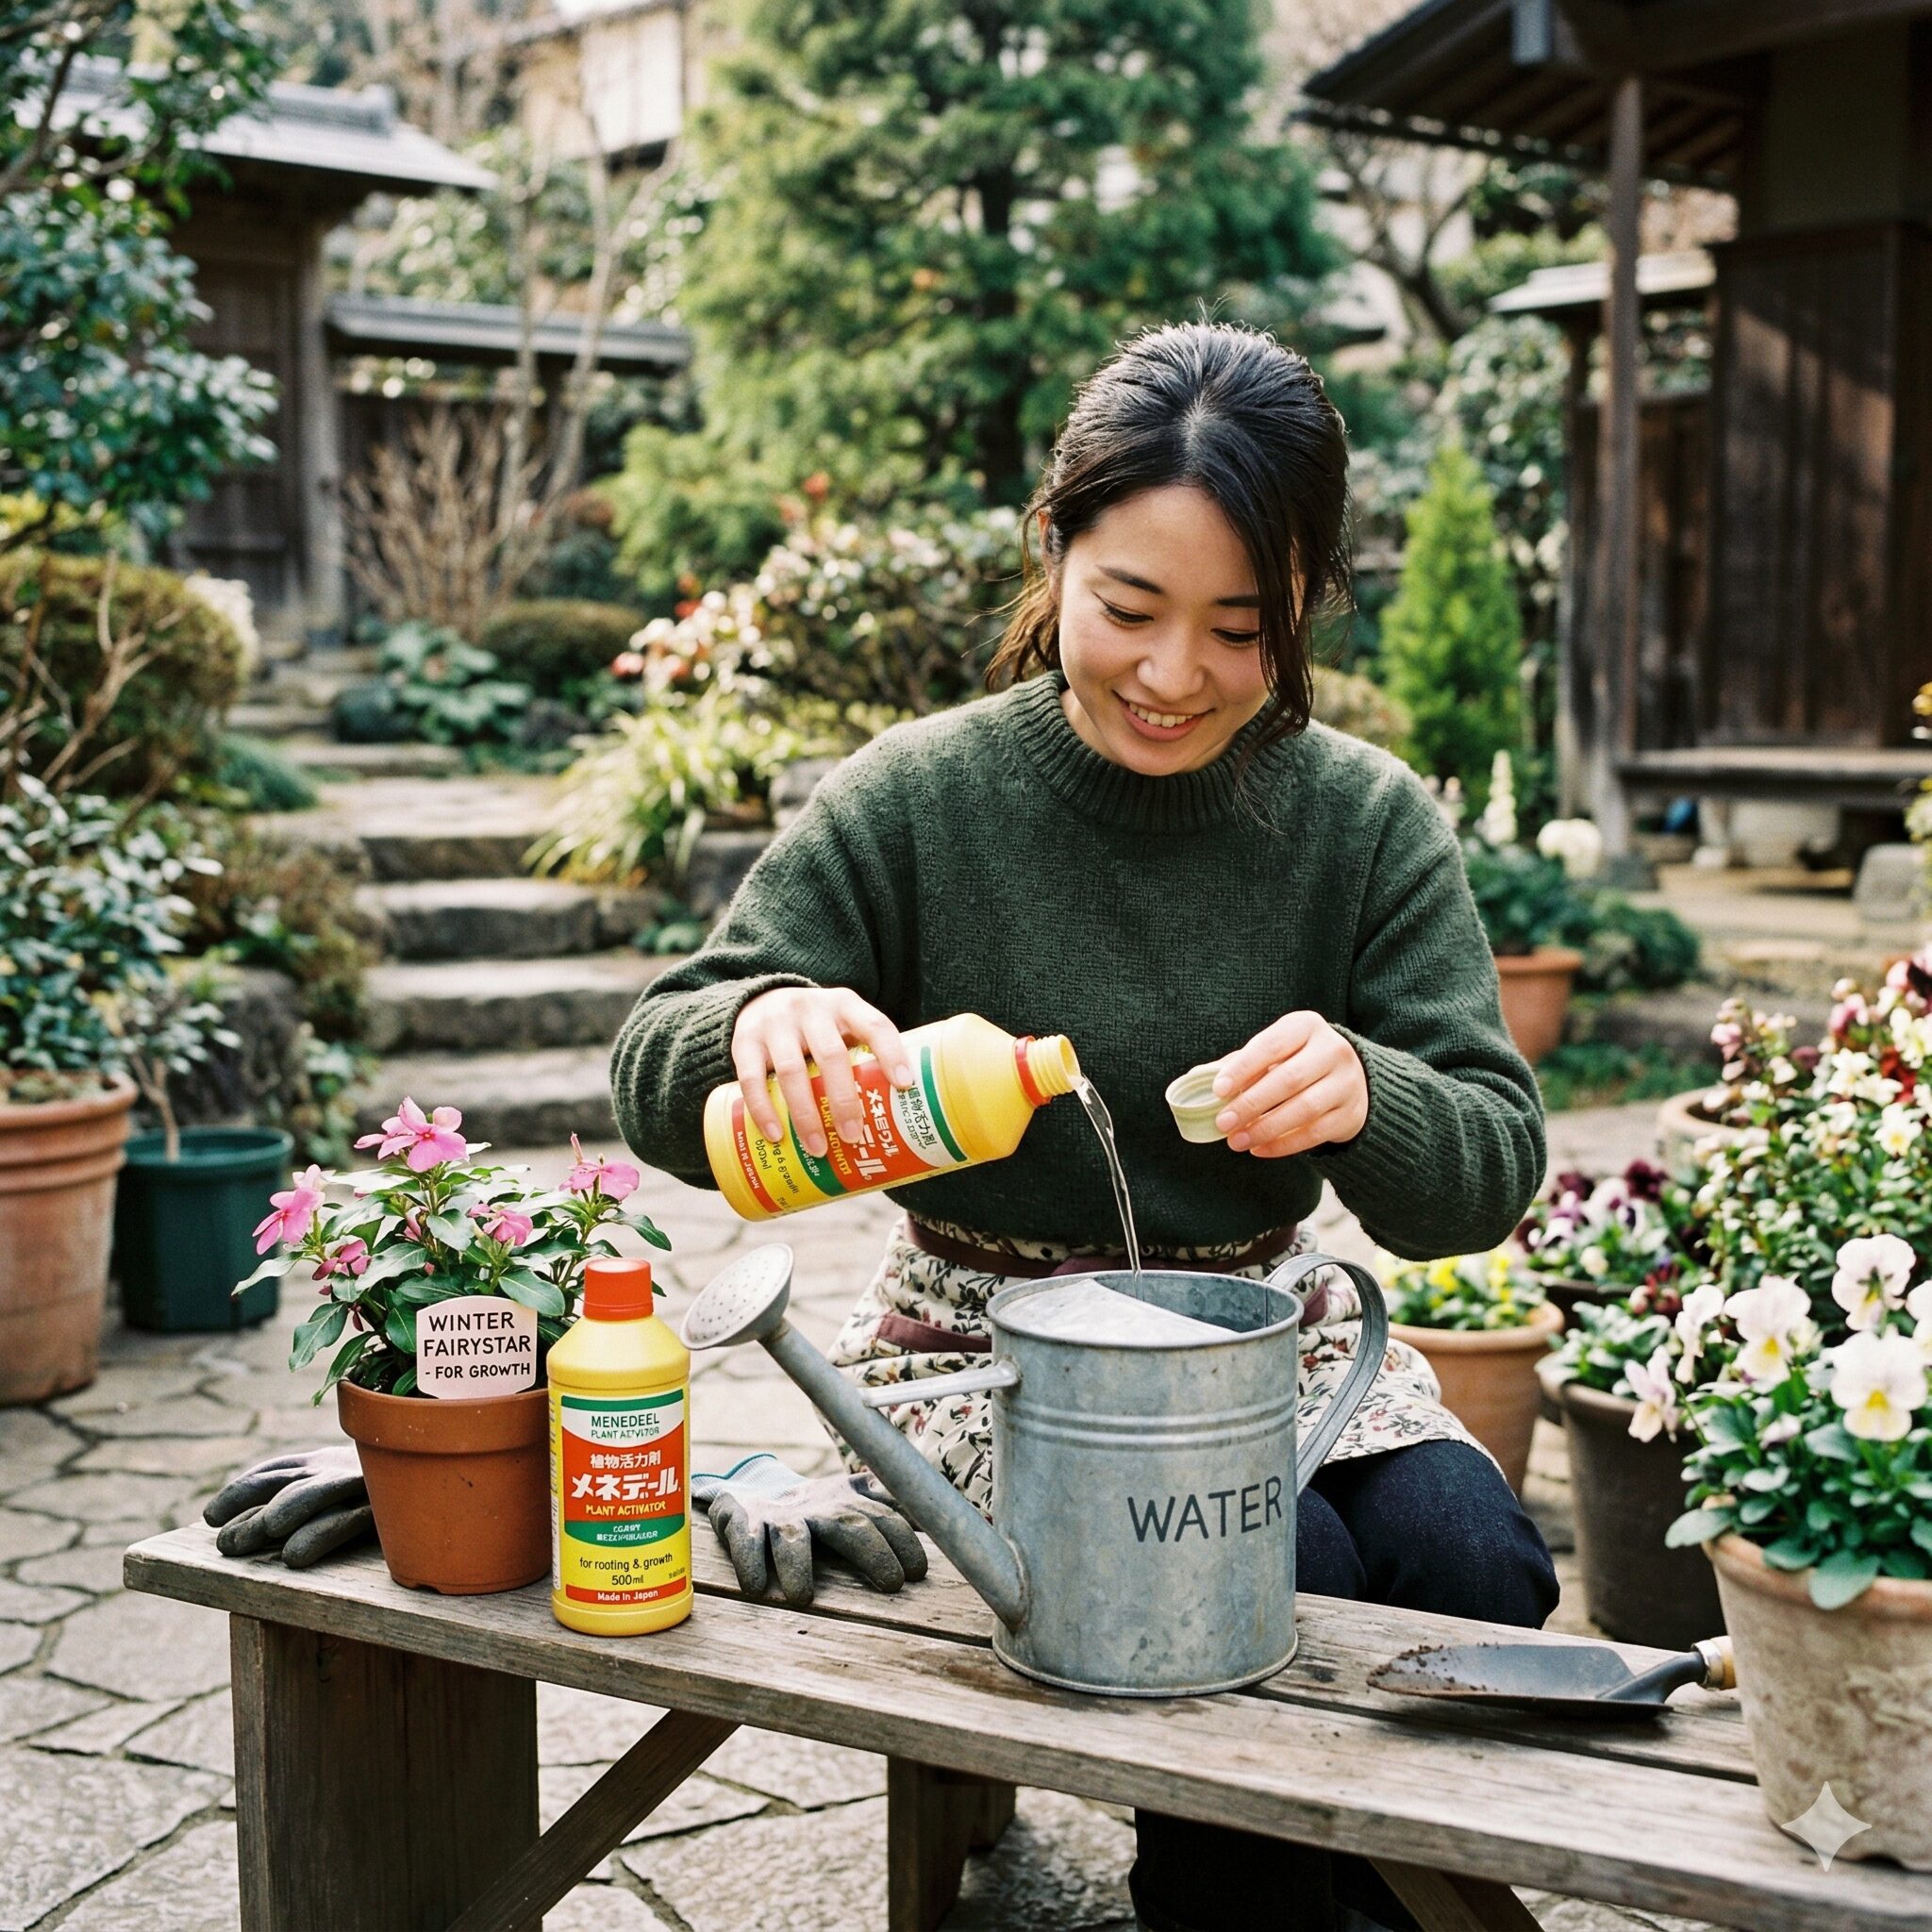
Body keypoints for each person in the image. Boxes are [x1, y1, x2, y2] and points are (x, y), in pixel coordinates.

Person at [612, 320, 1558, 1932]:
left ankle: (1392, 1896)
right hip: (984, 1348)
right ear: (1054, 548)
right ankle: (1229, 1904)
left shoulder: (1361, 819)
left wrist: (1370, 1091)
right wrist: (751, 1030)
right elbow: (653, 1065)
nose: (1173, 675)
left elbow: (1491, 1152)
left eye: (1239, 629)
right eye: (1128, 608)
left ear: (1308, 607)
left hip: (1274, 1332)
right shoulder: (921, 798)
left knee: (1480, 1561)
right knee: (1284, 1574)